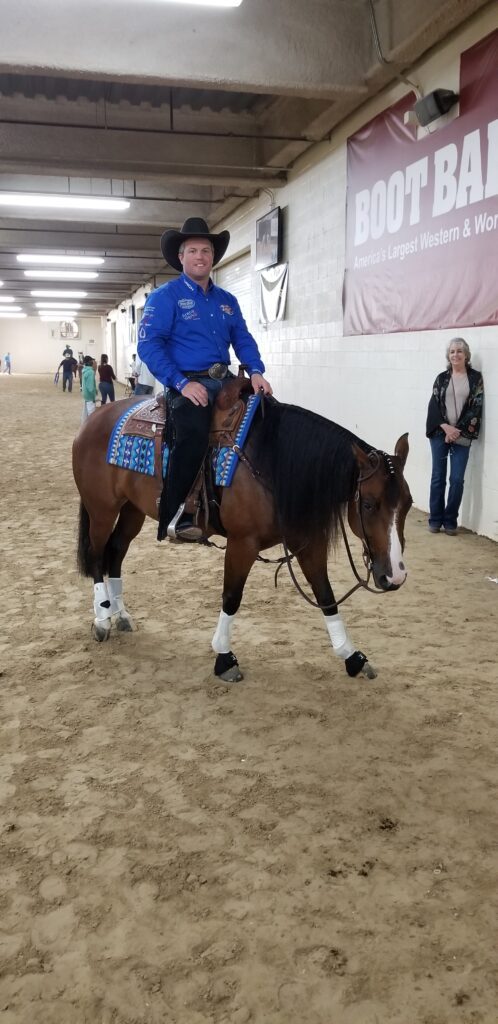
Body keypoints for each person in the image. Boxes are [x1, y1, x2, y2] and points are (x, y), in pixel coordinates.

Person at [138, 216, 272, 541]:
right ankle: (176, 515)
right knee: (194, 434)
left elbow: (242, 338)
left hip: (225, 380)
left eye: (206, 251)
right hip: (186, 382)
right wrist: (181, 383)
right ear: (181, 257)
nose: (201, 257)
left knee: (267, 416)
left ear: (213, 257)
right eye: (193, 250)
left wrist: (256, 371)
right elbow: (149, 344)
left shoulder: (227, 301)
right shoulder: (164, 297)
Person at [426, 337, 484, 535]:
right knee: (438, 477)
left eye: (459, 351)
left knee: (457, 479)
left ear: (466, 355)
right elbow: (433, 406)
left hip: (462, 434)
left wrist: (455, 430)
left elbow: (476, 407)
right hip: (440, 434)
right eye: (452, 351)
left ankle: (450, 520)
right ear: (448, 355)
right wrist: (445, 428)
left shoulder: (476, 378)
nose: (455, 355)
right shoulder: (441, 378)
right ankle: (435, 519)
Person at [81, 355, 98, 422]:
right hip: (90, 396)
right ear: (89, 362)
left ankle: (84, 424)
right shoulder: (91, 372)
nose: (93, 362)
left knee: (85, 412)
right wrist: (94, 397)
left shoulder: (84, 370)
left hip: (85, 394)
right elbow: (90, 387)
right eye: (91, 361)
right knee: (92, 414)